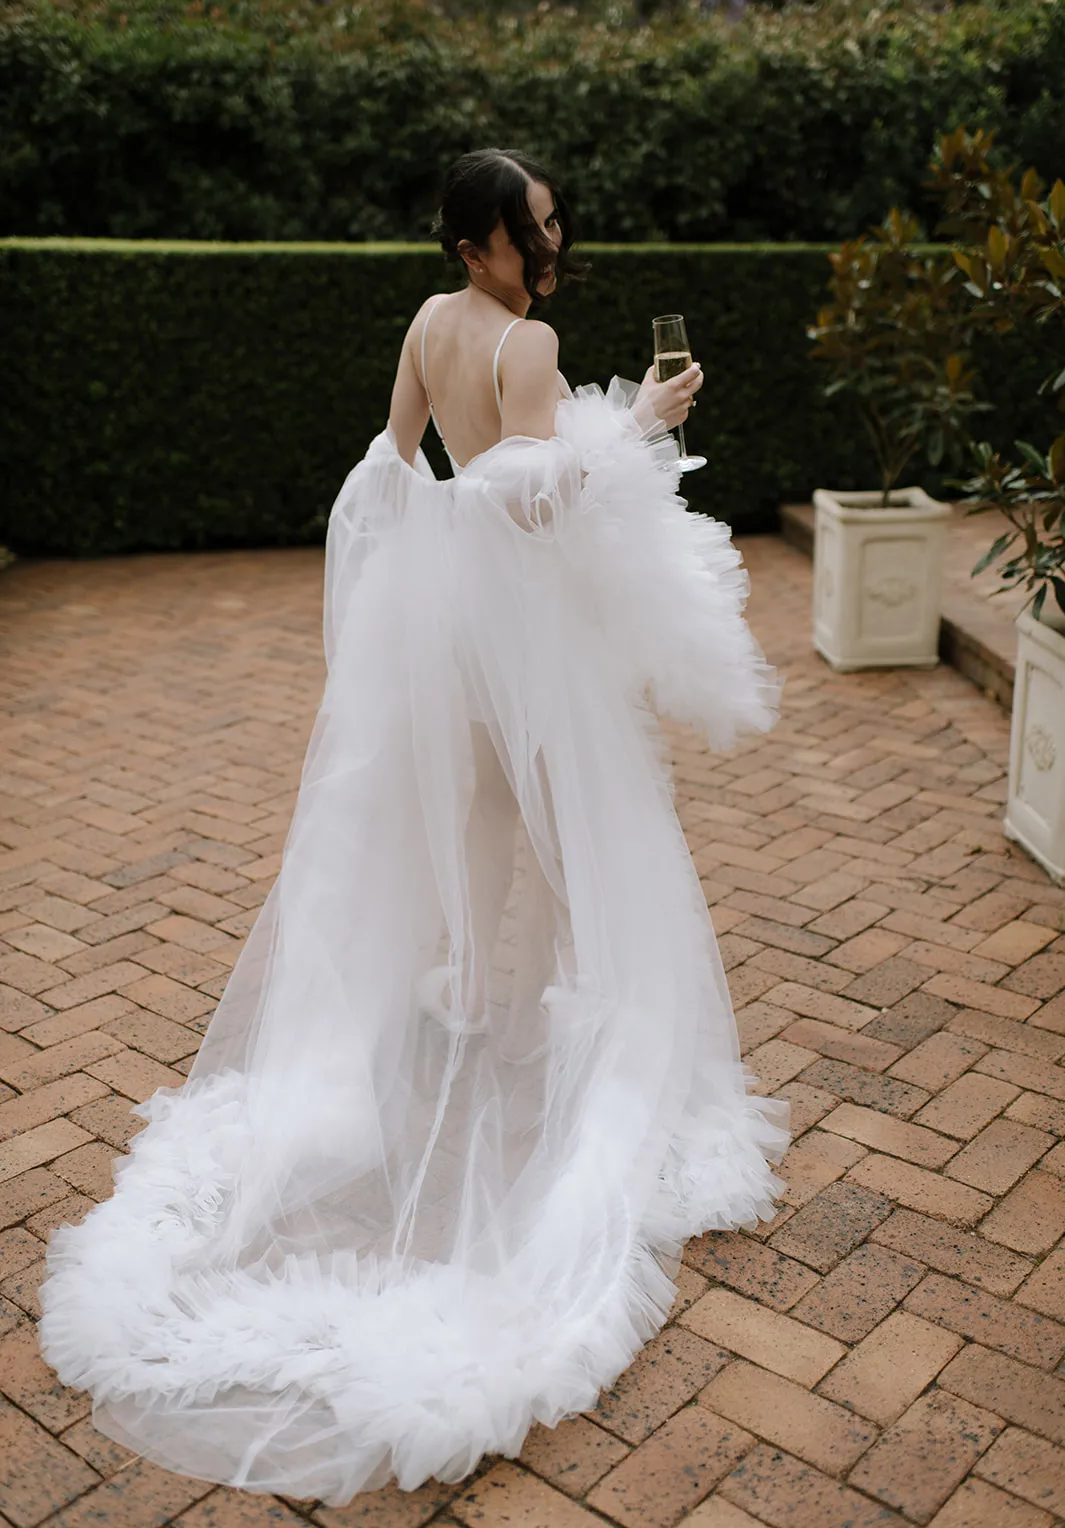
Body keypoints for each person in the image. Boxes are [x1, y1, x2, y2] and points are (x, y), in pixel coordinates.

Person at [37, 147, 789, 1508]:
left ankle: (495, 1025)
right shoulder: (532, 339)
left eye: (555, 225)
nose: (550, 247)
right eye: (531, 231)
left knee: (482, 838)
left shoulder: (430, 325)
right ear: (480, 243)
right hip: (528, 637)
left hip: (443, 629)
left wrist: (404, 601)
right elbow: (549, 495)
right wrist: (652, 419)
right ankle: (569, 1046)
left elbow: (395, 467)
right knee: (577, 847)